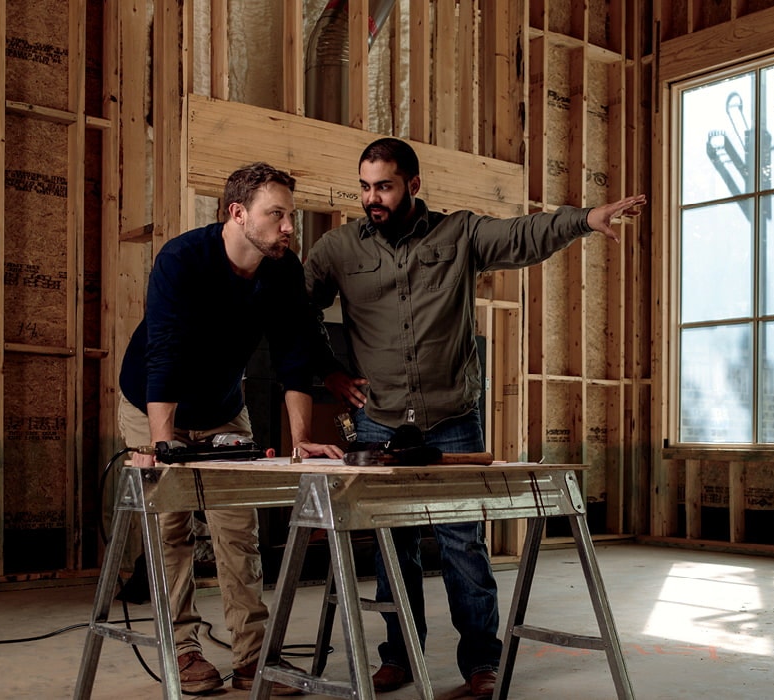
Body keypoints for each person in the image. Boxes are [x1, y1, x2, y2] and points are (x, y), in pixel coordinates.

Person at [305, 137, 646, 698]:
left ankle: (481, 666)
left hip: (452, 418)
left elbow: (521, 236)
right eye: (365, 187)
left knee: (464, 545)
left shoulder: (457, 233)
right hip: (380, 419)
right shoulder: (338, 248)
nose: (373, 198)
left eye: (384, 186)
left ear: (413, 185)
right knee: (394, 549)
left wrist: (586, 219)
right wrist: (329, 372)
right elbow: (297, 309)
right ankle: (401, 655)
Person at [118, 162, 346, 695]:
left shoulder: (282, 269)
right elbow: (164, 354)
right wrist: (163, 444)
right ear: (237, 213)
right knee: (172, 530)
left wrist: (300, 440)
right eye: (277, 215)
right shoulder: (182, 259)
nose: (290, 227)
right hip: (153, 402)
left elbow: (294, 356)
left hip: (223, 407)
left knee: (236, 531)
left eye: (291, 215)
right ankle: (184, 651)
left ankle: (254, 658)